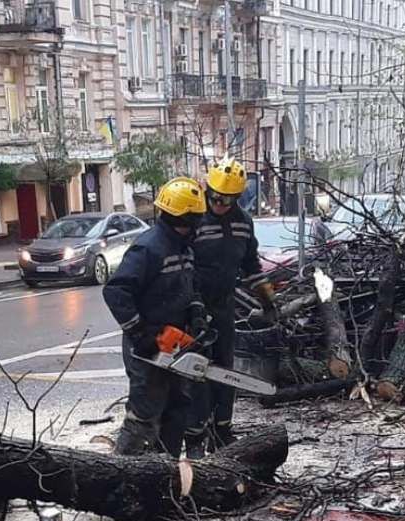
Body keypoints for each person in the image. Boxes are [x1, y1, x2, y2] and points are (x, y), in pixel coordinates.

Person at [103, 177, 209, 458]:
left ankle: (167, 469)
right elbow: (116, 291)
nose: (197, 226)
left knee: (178, 405)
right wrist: (141, 334)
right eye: (194, 220)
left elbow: (192, 286)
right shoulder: (149, 248)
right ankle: (121, 473)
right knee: (144, 413)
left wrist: (196, 312)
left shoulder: (184, 247)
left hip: (175, 341)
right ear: (181, 217)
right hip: (148, 344)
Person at [184, 157, 277, 456]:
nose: (218, 204)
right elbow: (182, 265)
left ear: (237, 198)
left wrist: (266, 297)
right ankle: (194, 435)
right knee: (196, 372)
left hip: (224, 305)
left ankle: (222, 429)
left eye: (225, 200)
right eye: (213, 197)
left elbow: (251, 263)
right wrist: (192, 305)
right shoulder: (195, 220)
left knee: (225, 370)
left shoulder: (243, 222)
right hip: (192, 305)